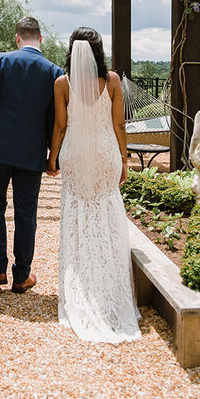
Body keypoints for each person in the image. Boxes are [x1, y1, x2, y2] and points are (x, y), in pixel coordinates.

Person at [46, 28, 141, 343]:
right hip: (105, 153)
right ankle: (111, 293)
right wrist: (124, 159)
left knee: (77, 217)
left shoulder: (62, 83)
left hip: (75, 154)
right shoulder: (112, 81)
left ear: (72, 51)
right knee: (109, 219)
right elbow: (118, 123)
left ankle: (81, 286)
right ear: (99, 51)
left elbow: (61, 125)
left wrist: (52, 158)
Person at [0, 17, 64, 293]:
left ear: (17, 38)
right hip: (32, 153)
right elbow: (56, 119)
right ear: (40, 39)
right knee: (26, 212)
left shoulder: (1, 60)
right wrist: (53, 157)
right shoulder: (54, 71)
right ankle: (21, 276)